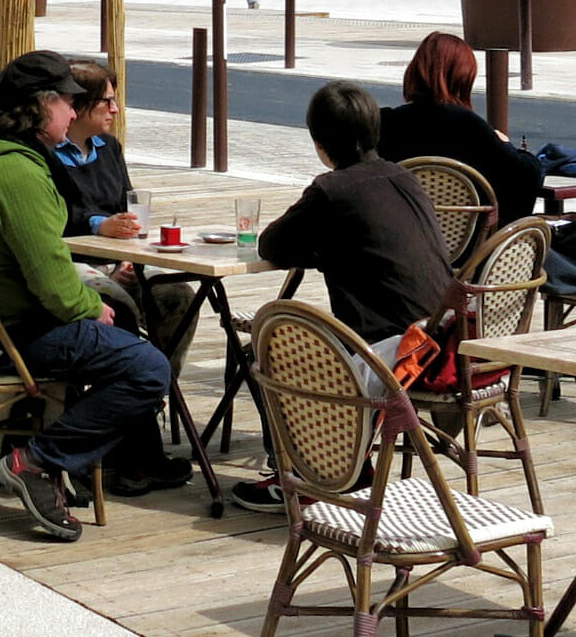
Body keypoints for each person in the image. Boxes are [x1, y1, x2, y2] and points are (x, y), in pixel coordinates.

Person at [0, 50, 175, 540]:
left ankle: (12, 438)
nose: (74, 113)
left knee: (132, 340)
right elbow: (51, 280)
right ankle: (37, 461)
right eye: (68, 103)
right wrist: (94, 308)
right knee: (150, 367)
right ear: (39, 106)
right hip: (10, 333)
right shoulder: (19, 174)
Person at [232, 80, 452, 512]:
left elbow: (273, 245)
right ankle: (346, 466)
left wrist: (325, 247)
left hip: (395, 354)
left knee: (261, 354)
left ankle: (310, 476)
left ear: (319, 141)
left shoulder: (332, 190)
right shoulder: (403, 176)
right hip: (445, 339)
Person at [53, 58, 200, 404]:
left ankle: (155, 391)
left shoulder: (109, 148)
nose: (115, 110)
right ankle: (116, 398)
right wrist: (97, 225)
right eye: (107, 101)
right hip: (69, 260)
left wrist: (127, 258)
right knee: (116, 300)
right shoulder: (47, 153)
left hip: (118, 258)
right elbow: (55, 214)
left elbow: (126, 205)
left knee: (178, 295)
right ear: (78, 103)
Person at [376, 30, 544, 222]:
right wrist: (507, 146)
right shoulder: (469, 127)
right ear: (464, 79)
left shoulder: (384, 123)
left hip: (401, 240)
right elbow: (526, 175)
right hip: (465, 243)